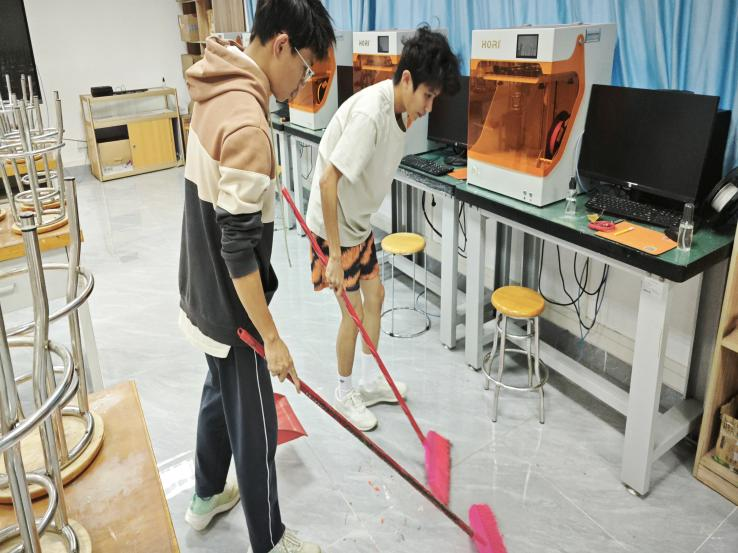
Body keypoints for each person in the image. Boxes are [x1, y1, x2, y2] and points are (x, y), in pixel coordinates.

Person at [178, 1, 334, 551]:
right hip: (234, 311)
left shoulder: (217, 83)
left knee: (218, 397)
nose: (304, 83)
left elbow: (226, 195)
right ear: (282, 45)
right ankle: (271, 541)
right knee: (257, 425)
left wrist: (266, 181)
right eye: (307, 69)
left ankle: (204, 498)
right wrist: (272, 339)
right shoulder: (248, 121)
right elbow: (238, 250)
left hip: (200, 291)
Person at [305, 26, 461, 431]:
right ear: (406, 79)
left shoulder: (400, 112)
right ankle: (344, 391)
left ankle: (369, 380)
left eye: (435, 98)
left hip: (357, 224)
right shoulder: (370, 116)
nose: (429, 107)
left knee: (376, 295)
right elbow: (328, 182)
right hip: (333, 226)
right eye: (427, 96)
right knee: (352, 312)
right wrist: (333, 255)